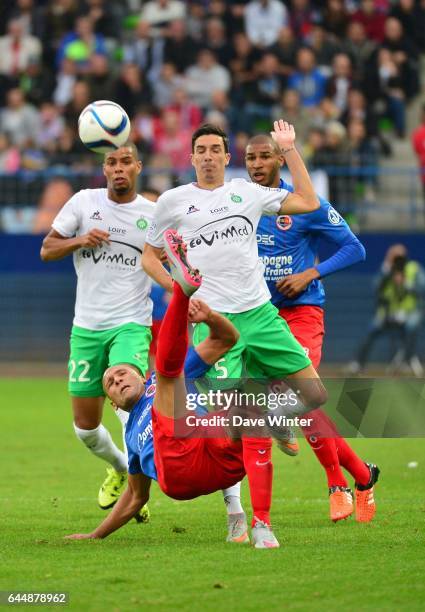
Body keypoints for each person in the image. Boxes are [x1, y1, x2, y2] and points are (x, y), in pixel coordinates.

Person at [142, 120, 329, 535]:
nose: (208, 156)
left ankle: (276, 422)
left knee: (314, 393)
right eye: (201, 150)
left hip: (260, 314)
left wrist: (290, 149)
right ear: (190, 157)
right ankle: (239, 516)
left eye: (215, 150)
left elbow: (308, 201)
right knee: (229, 424)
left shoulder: (246, 191)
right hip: (215, 325)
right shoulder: (172, 201)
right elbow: (149, 256)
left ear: (228, 158)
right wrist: (181, 292)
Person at [65, 231, 281, 548]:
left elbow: (226, 340)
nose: (118, 380)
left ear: (140, 375)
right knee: (172, 378)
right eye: (111, 384)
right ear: (113, 405)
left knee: (243, 407)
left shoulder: (159, 381)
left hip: (220, 463)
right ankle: (182, 289)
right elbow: (136, 497)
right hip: (179, 473)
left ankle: (261, 517)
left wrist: (210, 317)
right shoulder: (132, 440)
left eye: (122, 373)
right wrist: (95, 534)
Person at [245, 133, 379, 522]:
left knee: (302, 397)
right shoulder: (240, 207)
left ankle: (338, 486)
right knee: (292, 406)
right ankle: (363, 476)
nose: (256, 164)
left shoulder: (302, 204)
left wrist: (309, 274)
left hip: (301, 312)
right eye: (250, 157)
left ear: (279, 161)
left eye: (264, 157)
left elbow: (356, 248)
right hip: (260, 318)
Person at [40, 144, 155, 518]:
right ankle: (122, 468)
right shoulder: (83, 203)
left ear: (137, 166)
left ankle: (139, 491)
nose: (119, 168)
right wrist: (79, 240)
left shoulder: (152, 215)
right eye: (111, 162)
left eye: (126, 162)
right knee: (86, 429)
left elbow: (169, 256)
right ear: (103, 168)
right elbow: (47, 249)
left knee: (128, 400)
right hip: (86, 329)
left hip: (131, 324)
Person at [350, 244, 425, 376]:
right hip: (389, 313)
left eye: (400, 256)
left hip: (409, 312)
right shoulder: (386, 270)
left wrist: (408, 284)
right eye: (394, 256)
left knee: (412, 326)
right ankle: (358, 363)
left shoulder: (413, 268)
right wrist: (386, 269)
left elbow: (422, 289)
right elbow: (376, 287)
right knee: (372, 329)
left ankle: (408, 359)